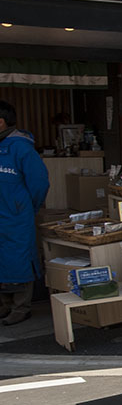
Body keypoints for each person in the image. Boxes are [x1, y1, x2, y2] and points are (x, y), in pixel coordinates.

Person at [0, 100, 50, 326]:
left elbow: (39, 183)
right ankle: (5, 305)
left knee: (18, 258)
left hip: (16, 215)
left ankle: (22, 307)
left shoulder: (21, 148)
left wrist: (27, 207)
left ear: (1, 122)